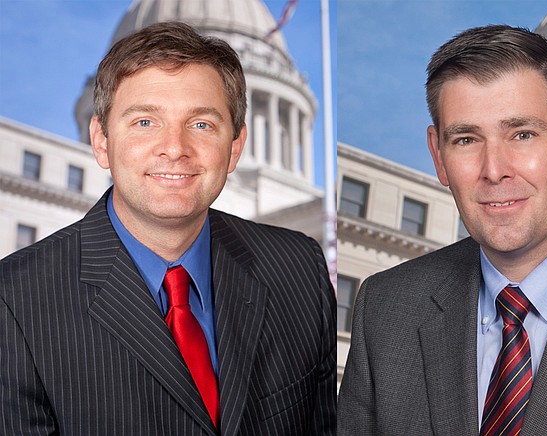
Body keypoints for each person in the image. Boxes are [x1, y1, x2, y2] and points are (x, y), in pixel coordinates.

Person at [0, 22, 336, 436]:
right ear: (101, 141)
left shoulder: (299, 267)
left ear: (235, 146)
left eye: (201, 124)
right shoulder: (14, 300)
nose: (174, 148)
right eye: (145, 122)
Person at [337, 25, 547, 435]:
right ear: (438, 156)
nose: (494, 170)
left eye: (523, 134)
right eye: (465, 140)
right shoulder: (387, 311)